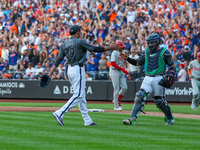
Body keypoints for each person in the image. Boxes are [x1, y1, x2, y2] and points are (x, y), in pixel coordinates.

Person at [49, 25, 120, 126]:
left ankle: (87, 120)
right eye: (80, 32)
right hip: (78, 69)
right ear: (77, 33)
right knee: (78, 95)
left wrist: (51, 72)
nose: (81, 33)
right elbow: (94, 49)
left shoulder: (64, 44)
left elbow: (59, 60)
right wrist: (110, 48)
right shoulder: (80, 41)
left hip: (70, 69)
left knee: (81, 96)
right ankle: (60, 112)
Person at [120, 33, 175, 125]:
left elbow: (171, 65)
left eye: (152, 42)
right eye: (149, 43)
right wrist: (128, 59)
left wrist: (171, 74)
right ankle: (133, 118)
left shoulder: (165, 51)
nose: (150, 45)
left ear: (157, 42)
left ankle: (170, 117)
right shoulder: (146, 52)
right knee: (139, 96)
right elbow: (138, 63)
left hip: (159, 78)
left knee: (159, 101)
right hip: (147, 77)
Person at [110, 41, 128, 111]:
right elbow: (112, 63)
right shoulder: (114, 52)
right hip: (114, 71)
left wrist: (124, 68)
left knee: (124, 87)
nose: (122, 47)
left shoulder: (122, 52)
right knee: (116, 88)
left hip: (120, 71)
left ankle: (116, 100)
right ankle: (116, 106)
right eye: (121, 46)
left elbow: (124, 62)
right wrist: (122, 69)